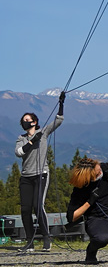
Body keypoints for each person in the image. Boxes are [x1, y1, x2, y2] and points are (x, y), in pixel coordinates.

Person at [14, 92, 65, 253]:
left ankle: (46, 238)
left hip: (41, 174)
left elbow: (58, 121)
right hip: (26, 177)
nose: (24, 122)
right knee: (25, 209)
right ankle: (29, 242)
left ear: (34, 122)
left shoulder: (43, 133)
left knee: (38, 206)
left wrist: (61, 103)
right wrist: (31, 142)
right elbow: (19, 152)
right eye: (23, 120)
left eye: (27, 120)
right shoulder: (21, 138)